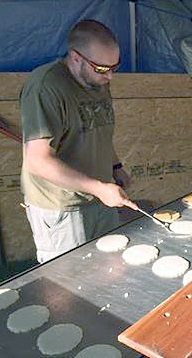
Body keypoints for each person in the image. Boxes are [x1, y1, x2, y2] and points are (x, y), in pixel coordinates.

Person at [21, 19, 138, 263]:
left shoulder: (97, 79)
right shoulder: (46, 87)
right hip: (62, 207)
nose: (111, 77)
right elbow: (38, 161)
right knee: (69, 283)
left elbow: (99, 130)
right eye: (103, 69)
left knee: (108, 266)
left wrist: (115, 167)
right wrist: (98, 188)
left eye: (115, 67)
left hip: (100, 196)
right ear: (76, 58)